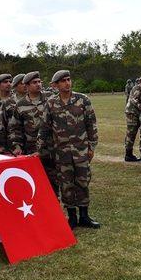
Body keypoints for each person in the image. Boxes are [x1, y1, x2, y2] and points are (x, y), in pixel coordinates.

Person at [39, 70, 100, 230]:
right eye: (63, 81)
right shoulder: (51, 103)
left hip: (81, 151)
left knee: (83, 182)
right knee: (66, 185)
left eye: (68, 79)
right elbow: (44, 128)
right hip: (61, 152)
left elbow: (91, 124)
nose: (67, 83)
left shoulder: (82, 100)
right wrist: (40, 149)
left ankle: (84, 216)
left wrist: (91, 146)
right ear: (55, 85)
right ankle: (72, 217)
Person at [8, 71, 59, 197]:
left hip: (52, 148)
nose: (38, 84)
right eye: (34, 83)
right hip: (31, 149)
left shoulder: (50, 99)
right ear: (27, 86)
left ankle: (55, 209)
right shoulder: (20, 105)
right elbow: (15, 128)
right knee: (36, 182)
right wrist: (17, 146)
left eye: (39, 82)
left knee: (54, 182)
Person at [124, 76, 141, 162]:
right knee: (131, 133)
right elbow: (133, 99)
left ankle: (131, 154)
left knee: (137, 133)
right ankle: (128, 154)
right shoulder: (137, 88)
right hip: (132, 113)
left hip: (137, 113)